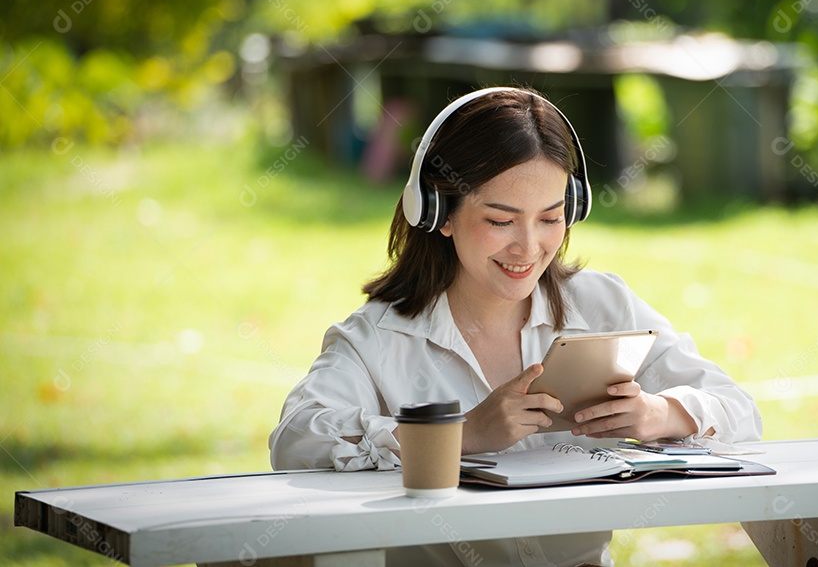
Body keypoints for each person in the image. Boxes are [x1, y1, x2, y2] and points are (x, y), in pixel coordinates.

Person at [269, 86, 762, 566]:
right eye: (501, 221)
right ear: (439, 211)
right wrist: (461, 435)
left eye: (550, 218)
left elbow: (739, 410)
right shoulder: (377, 338)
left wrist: (661, 414)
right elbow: (295, 439)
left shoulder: (603, 303)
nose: (528, 248)